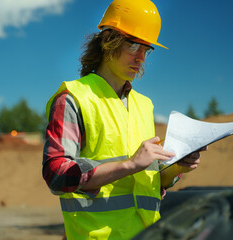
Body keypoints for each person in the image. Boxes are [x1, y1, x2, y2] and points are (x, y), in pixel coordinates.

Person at [42, 0, 205, 239]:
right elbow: (57, 174)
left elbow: (145, 182)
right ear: (109, 41)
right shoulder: (74, 98)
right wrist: (128, 165)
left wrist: (176, 168)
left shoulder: (143, 105)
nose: (141, 57)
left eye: (146, 49)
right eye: (133, 46)